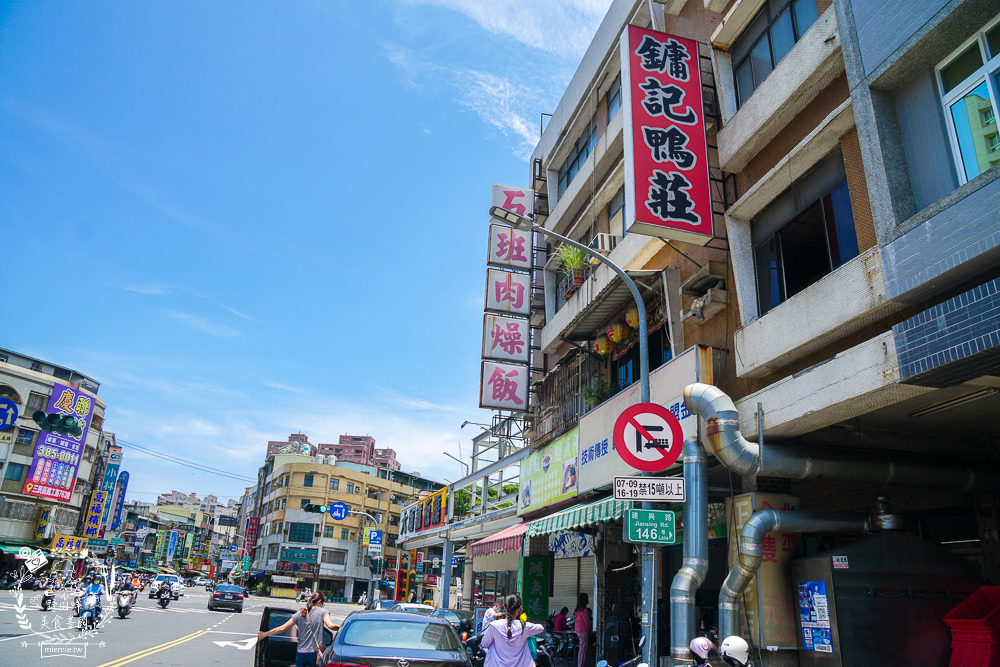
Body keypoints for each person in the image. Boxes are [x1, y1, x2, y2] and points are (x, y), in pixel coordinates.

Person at [258, 592, 340, 667]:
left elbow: (282, 628)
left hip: (301, 654)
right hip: (315, 654)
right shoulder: (322, 612)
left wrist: (264, 634)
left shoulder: (300, 613)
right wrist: (341, 628)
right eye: (323, 603)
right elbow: (330, 626)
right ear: (319, 602)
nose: (322, 605)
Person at [481, 594, 545, 667]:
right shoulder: (524, 627)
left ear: (504, 607)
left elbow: (485, 643)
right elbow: (541, 628)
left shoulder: (494, 626)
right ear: (519, 608)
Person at [574, 593, 591, 667]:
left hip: (578, 631)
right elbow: (587, 622)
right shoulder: (584, 610)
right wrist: (590, 630)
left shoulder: (577, 610)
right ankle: (581, 665)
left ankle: (582, 664)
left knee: (582, 649)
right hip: (584, 632)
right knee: (583, 650)